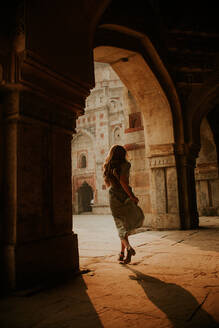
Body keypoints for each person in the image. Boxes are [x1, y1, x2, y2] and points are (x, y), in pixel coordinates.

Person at [103, 144, 144, 264]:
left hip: (114, 196)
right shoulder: (125, 165)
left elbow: (113, 182)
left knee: (120, 226)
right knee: (123, 226)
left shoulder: (108, 166)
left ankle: (126, 250)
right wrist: (132, 196)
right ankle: (125, 251)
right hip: (124, 195)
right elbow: (123, 181)